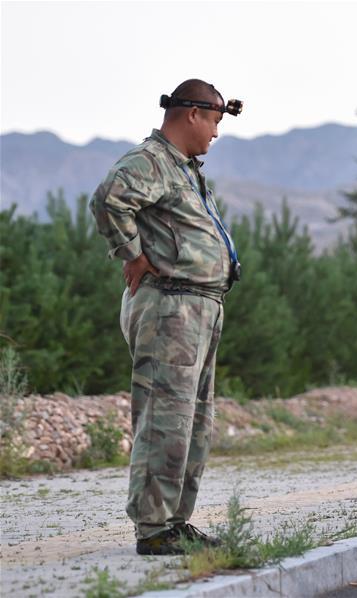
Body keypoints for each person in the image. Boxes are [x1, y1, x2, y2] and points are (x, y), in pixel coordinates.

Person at [89, 79, 242, 555]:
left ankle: (175, 521)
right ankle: (154, 529)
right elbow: (108, 197)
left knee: (193, 419)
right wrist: (131, 255)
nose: (217, 132)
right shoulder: (152, 160)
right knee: (165, 417)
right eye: (215, 120)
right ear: (192, 113)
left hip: (198, 306)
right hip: (169, 306)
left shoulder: (184, 168)